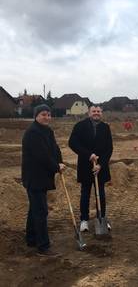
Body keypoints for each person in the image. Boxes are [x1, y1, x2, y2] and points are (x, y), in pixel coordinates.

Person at [22, 104, 65, 257]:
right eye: (43, 115)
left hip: (42, 177)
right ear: (36, 116)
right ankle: (43, 246)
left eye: (48, 114)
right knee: (41, 211)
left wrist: (60, 162)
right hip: (34, 177)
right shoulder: (32, 133)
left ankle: (31, 239)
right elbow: (42, 156)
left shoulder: (47, 131)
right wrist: (55, 166)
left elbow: (54, 149)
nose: (47, 117)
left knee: (34, 209)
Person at [69, 105, 113, 232]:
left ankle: (102, 218)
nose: (96, 113)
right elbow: (72, 143)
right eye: (94, 111)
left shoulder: (105, 128)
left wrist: (100, 165)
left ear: (102, 113)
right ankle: (84, 220)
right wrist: (88, 155)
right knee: (85, 194)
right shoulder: (80, 126)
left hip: (101, 167)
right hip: (85, 165)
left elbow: (109, 149)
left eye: (98, 111)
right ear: (89, 113)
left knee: (101, 194)